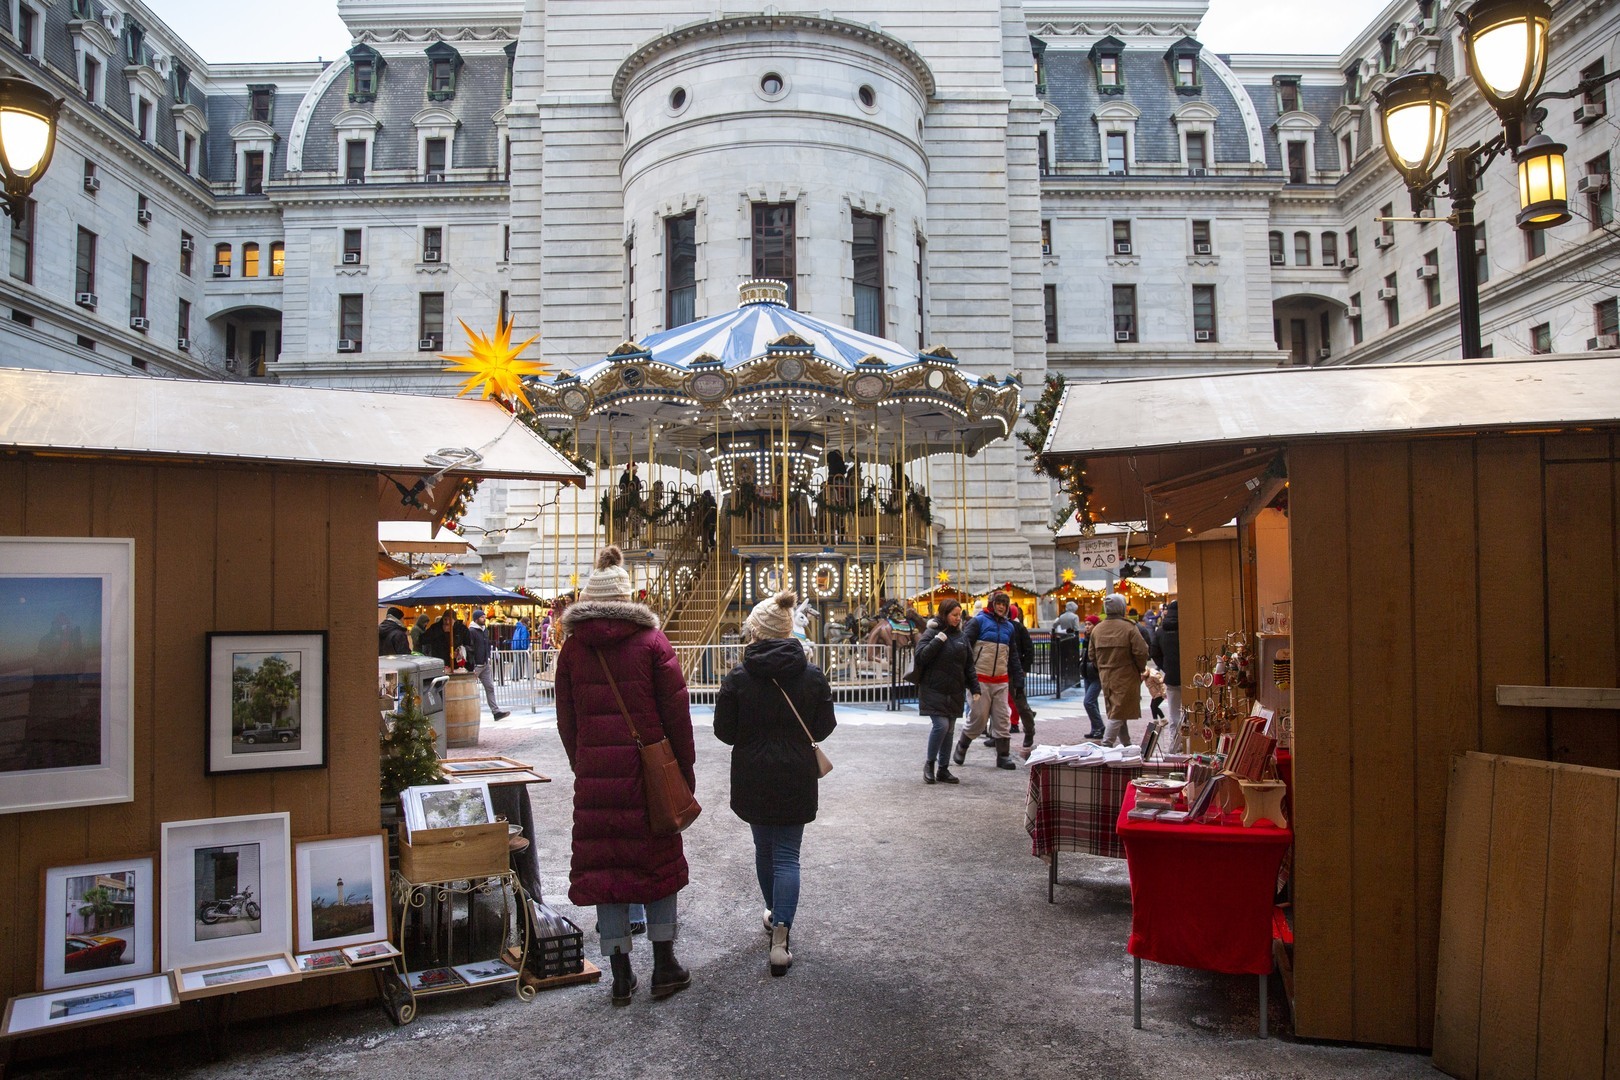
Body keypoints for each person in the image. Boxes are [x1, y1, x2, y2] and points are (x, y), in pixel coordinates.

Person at [554, 545, 695, 1004]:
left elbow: (566, 719)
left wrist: (585, 764)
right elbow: (677, 717)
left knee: (606, 866)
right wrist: (683, 773)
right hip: (646, 774)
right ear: (629, 597)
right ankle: (665, 966)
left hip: (597, 773)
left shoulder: (573, 650)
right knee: (656, 862)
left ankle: (619, 974)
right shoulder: (653, 644)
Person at [714, 589, 836, 978]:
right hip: (796, 772)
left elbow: (724, 731)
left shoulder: (738, 677)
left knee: (763, 849)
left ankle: (772, 911)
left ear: (756, 632)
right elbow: (824, 726)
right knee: (787, 854)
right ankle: (781, 932)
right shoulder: (812, 675)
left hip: (752, 773)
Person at [952, 591, 1022, 770]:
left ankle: (1003, 756)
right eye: (999, 603)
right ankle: (962, 745)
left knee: (1002, 718)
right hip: (980, 679)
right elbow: (964, 648)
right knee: (978, 718)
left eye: (1004, 604)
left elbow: (1012, 654)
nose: (1001, 607)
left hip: (1000, 679)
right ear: (992, 604)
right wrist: (965, 676)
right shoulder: (978, 622)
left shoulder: (1009, 627)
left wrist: (1018, 678)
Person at [911, 598, 978, 785]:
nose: (958, 619)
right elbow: (921, 657)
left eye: (959, 615)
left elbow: (969, 665)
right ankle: (929, 764)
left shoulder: (962, 637)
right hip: (934, 688)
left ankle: (943, 769)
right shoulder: (932, 632)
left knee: (949, 730)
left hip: (954, 690)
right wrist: (938, 641)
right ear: (945, 614)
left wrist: (975, 688)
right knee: (941, 726)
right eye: (954, 615)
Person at [1090, 593, 1149, 746]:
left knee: (1117, 709)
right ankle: (1107, 744)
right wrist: (1140, 668)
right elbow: (1141, 651)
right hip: (1126, 675)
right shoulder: (1129, 628)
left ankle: (1127, 744)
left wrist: (1102, 667)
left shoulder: (1097, 629)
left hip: (1105, 675)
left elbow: (1092, 655)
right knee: (1118, 712)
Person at [1149, 599, 1183, 752]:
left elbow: (1154, 652)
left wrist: (1166, 667)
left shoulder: (1161, 631)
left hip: (1172, 678)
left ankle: (1173, 747)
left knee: (1174, 714)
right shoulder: (1188, 628)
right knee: (1192, 712)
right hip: (1191, 677)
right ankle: (1188, 745)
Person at [467, 610, 511, 721]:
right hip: (476, 664)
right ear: (476, 619)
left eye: (484, 616)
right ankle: (468, 712)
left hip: (485, 663)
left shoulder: (485, 630)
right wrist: (472, 664)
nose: (484, 618)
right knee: (469, 688)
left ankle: (496, 712)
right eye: (482, 617)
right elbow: (470, 648)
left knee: (490, 687)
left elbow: (486, 644)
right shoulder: (471, 631)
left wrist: (489, 656)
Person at [1009, 604, 1037, 747]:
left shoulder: (1018, 628)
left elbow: (1029, 649)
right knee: (995, 706)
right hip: (999, 670)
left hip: (1015, 670)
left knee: (1020, 703)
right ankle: (995, 734)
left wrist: (1024, 668)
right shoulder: (996, 626)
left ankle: (1029, 730)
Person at [1080, 615, 1104, 738]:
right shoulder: (1086, 638)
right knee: (1092, 702)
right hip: (1087, 673)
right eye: (1086, 624)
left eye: (1090, 624)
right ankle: (1095, 728)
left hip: (1096, 674)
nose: (1087, 627)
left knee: (1088, 702)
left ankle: (1100, 726)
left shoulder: (1098, 637)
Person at [1051, 601, 1082, 696]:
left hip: (1063, 638)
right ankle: (1075, 679)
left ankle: (1063, 676)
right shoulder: (1074, 617)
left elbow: (1054, 624)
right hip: (1072, 639)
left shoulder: (1062, 616)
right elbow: (1077, 628)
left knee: (1064, 659)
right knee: (1073, 659)